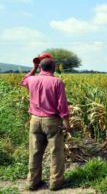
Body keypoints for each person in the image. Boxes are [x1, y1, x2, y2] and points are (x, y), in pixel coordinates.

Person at [21, 54, 70, 191]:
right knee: (56, 152)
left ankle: (32, 182)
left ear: (40, 67)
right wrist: (67, 124)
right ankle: (56, 183)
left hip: (34, 121)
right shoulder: (57, 82)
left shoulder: (31, 80)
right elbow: (62, 106)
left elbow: (23, 80)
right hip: (52, 121)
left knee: (35, 152)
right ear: (54, 68)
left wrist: (34, 67)